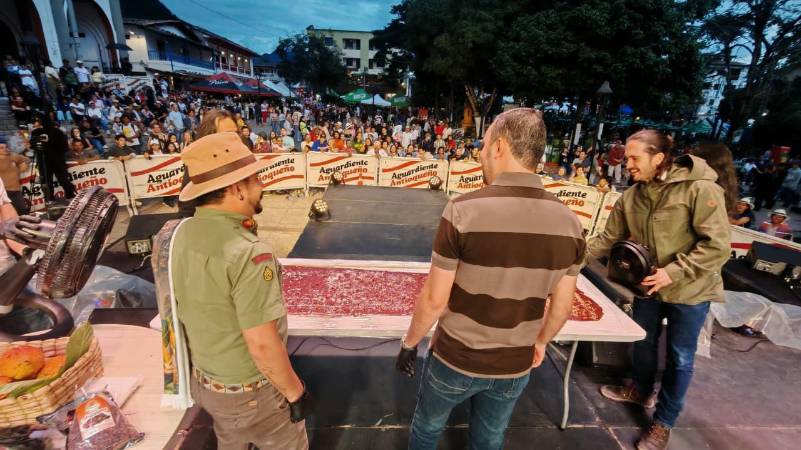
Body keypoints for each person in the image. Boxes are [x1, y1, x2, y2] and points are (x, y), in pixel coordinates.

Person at [396, 108, 584, 450]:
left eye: (483, 146)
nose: (480, 154)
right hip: (516, 365)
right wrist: (539, 343)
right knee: (489, 438)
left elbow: (435, 300)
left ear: (499, 147)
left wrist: (409, 343)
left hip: (456, 358)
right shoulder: (571, 223)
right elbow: (562, 307)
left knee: (427, 427)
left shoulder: (462, 210)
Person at [587, 129, 730, 450]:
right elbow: (606, 240)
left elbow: (718, 246)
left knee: (680, 358)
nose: (628, 166)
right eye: (626, 159)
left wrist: (674, 271)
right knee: (645, 342)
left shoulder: (699, 189)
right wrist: (566, 261)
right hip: (648, 287)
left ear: (659, 158)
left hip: (692, 290)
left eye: (635, 158)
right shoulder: (632, 196)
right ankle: (640, 389)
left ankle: (663, 422)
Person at [172, 132, 314, 449]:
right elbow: (262, 345)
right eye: (256, 180)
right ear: (237, 189)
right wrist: (296, 392)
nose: (262, 186)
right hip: (252, 393)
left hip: (208, 383)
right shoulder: (249, 253)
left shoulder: (181, 233)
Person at [30, 115, 76, 201]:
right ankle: (50, 200)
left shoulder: (57, 132)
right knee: (47, 182)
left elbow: (65, 147)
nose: (36, 124)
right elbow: (32, 145)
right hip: (44, 161)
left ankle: (70, 196)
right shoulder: (35, 132)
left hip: (57, 161)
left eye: (38, 122)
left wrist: (50, 142)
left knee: (63, 180)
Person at [0, 136, 30, 213]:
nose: (5, 149)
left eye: (6, 147)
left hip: (16, 191)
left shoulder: (13, 156)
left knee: (23, 211)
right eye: (1, 148)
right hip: (3, 193)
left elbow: (27, 160)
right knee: (7, 215)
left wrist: (20, 167)